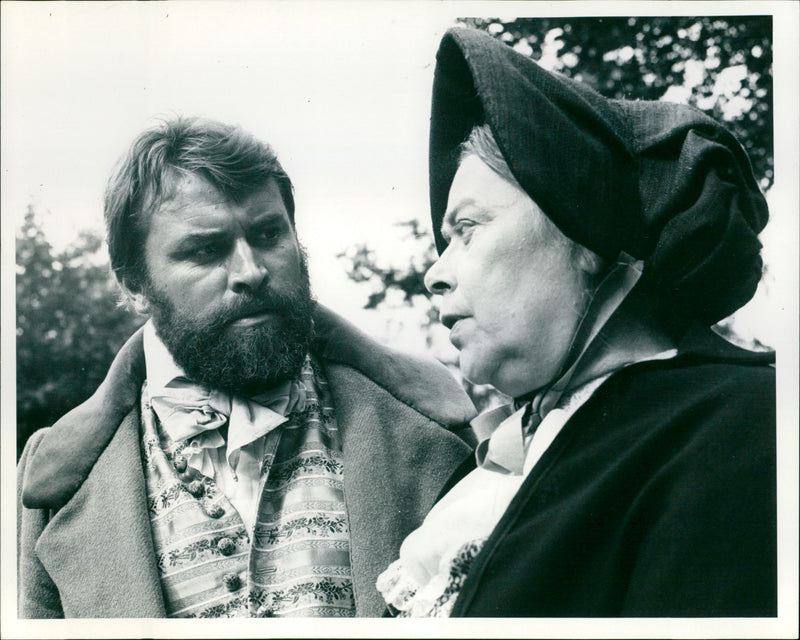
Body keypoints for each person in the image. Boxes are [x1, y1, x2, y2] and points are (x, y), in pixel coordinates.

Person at [377, 27, 776, 617]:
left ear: (584, 232)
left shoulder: (741, 426)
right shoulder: (489, 469)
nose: (435, 274)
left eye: (468, 229)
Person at [17, 117, 477, 618]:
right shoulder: (56, 484)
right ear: (134, 284)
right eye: (205, 250)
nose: (251, 271)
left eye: (266, 234)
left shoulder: (427, 430)